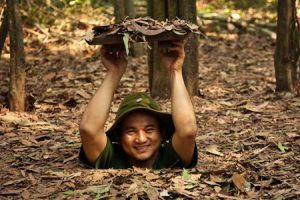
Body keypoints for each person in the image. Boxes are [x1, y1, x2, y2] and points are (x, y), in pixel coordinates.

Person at [79, 40, 198, 169]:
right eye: (131, 131)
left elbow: (188, 131)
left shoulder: (170, 158)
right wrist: (113, 72)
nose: (141, 139)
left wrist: (175, 71)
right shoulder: (112, 158)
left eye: (149, 130)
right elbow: (89, 130)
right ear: (119, 137)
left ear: (162, 133)